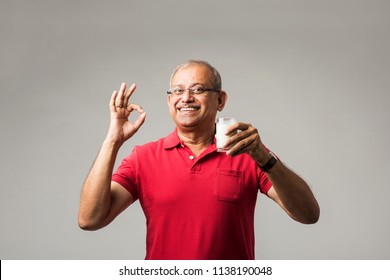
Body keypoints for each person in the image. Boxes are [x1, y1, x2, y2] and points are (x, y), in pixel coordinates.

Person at [78, 60, 320, 260]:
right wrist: (112, 141)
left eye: (198, 89)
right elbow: (90, 219)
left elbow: (308, 214)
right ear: (169, 100)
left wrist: (265, 158)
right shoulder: (143, 157)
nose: (186, 97)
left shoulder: (248, 152)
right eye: (178, 90)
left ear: (221, 100)